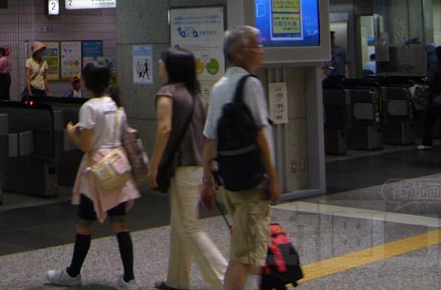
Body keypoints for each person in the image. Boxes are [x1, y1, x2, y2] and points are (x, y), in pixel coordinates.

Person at [45, 63, 139, 289]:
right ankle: (129, 278)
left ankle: (72, 274)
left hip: (95, 170)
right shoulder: (116, 106)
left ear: (86, 82)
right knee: (119, 223)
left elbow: (86, 144)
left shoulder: (89, 107)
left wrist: (70, 133)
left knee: (84, 223)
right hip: (116, 167)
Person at [201, 26, 279, 290]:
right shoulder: (251, 85)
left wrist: (206, 180)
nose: (260, 51)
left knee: (252, 248)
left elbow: (210, 138)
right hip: (253, 181)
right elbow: (259, 134)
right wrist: (273, 177)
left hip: (231, 179)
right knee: (243, 255)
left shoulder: (220, 86)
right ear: (238, 53)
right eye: (255, 46)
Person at [148, 46, 227, 290]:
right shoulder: (198, 97)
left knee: (189, 226)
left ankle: (227, 280)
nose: (159, 65)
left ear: (171, 67)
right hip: (196, 168)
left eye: (162, 62)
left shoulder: (167, 94)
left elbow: (164, 129)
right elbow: (207, 137)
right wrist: (208, 173)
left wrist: (153, 168)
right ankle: (177, 281)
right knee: (179, 224)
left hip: (181, 168)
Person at [418, 45, 441, 150]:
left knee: (429, 120)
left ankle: (427, 142)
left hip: (436, 97)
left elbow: (430, 81)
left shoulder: (434, 66)